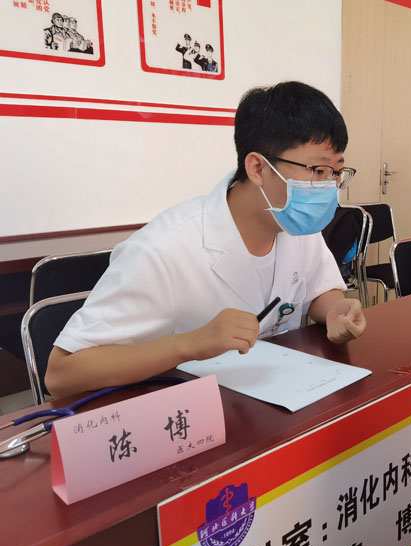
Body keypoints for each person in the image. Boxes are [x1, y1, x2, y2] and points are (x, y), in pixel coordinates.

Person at [46, 82, 366, 397]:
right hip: (191, 410)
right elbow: (62, 374)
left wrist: (335, 310)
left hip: (279, 400)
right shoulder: (163, 249)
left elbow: (319, 289)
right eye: (318, 171)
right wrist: (191, 344)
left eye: (335, 173)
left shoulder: (293, 224)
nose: (328, 186)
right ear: (257, 168)